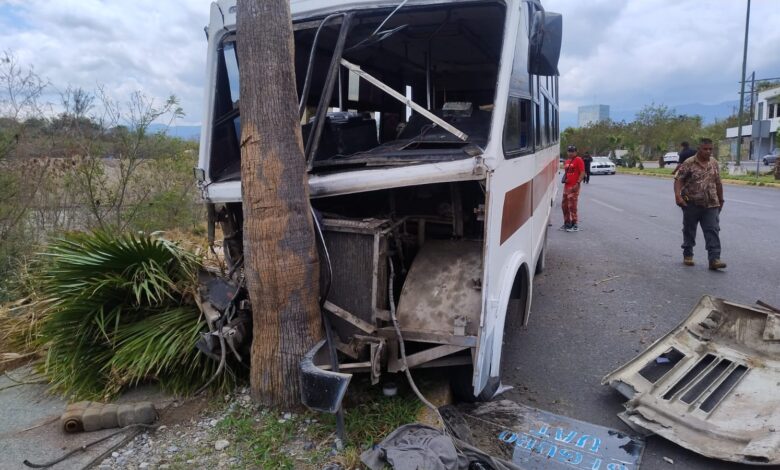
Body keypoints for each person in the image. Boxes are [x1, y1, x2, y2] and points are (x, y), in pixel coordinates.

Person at [673, 138, 726, 270]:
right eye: (705, 149)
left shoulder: (714, 163)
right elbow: (679, 180)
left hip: (711, 204)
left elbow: (718, 182)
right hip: (691, 203)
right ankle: (688, 254)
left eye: (710, 149)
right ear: (699, 149)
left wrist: (721, 199)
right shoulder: (689, 163)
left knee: (712, 230)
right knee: (689, 230)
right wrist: (678, 196)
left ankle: (714, 259)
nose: (708, 151)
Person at [560, 145, 585, 232]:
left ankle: (575, 224)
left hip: (574, 187)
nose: (570, 153)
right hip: (566, 187)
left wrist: (578, 183)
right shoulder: (567, 161)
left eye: (572, 151)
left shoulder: (578, 160)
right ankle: (567, 223)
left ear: (576, 152)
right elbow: (568, 172)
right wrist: (566, 179)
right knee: (564, 205)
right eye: (569, 151)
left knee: (572, 206)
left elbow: (582, 172)